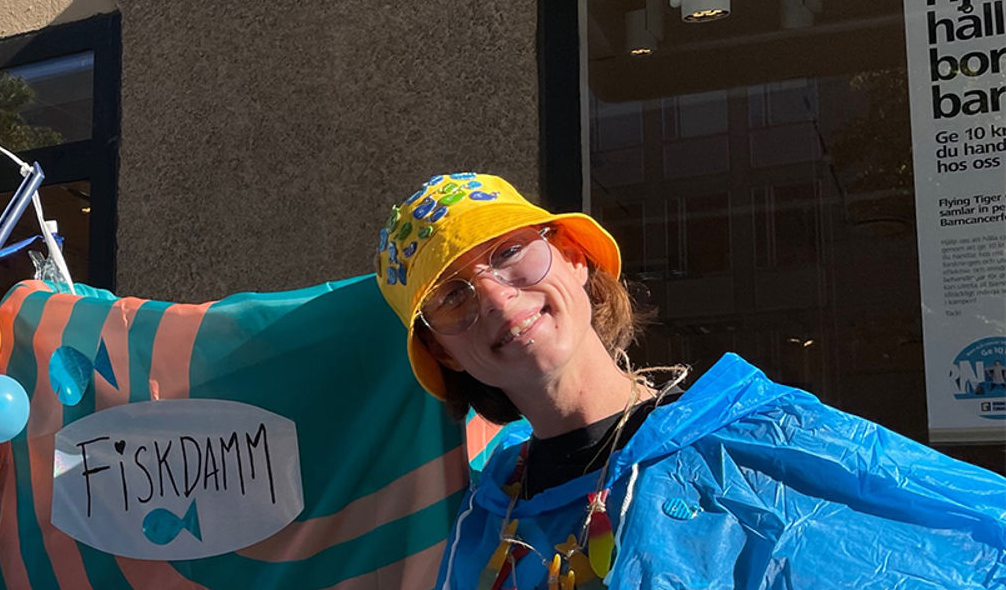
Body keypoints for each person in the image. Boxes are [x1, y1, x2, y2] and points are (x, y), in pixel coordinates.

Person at [375, 172, 1006, 590]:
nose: (495, 295)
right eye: (452, 296)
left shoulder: (763, 440)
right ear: (443, 352)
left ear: (573, 258)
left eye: (509, 252)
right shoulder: (487, 520)